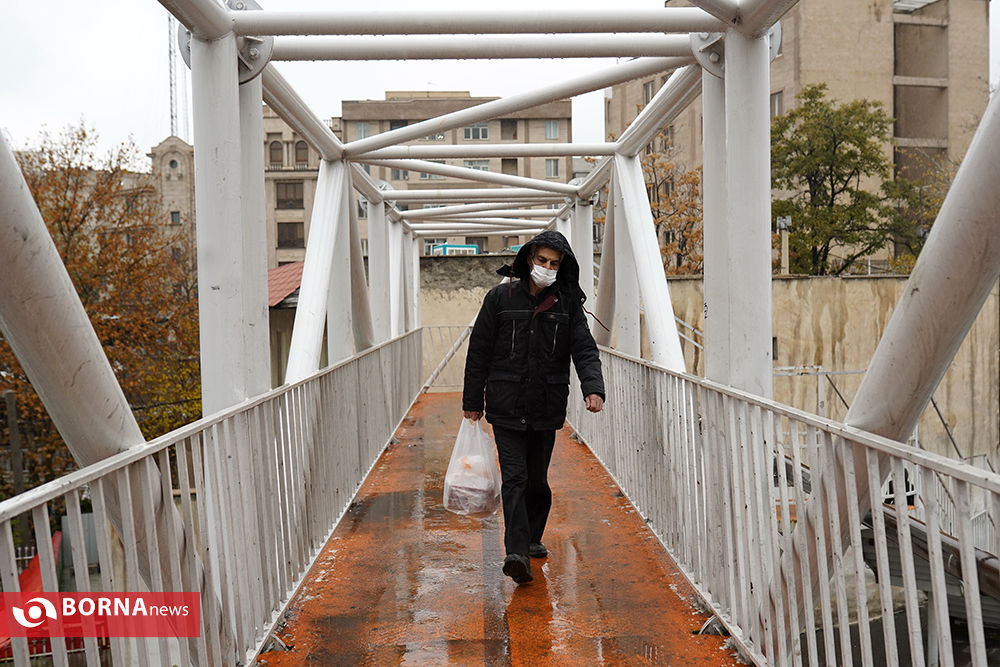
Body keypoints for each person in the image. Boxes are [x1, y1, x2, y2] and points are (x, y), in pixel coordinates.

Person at [462, 230, 605, 584]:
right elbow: (479, 351)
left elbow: (584, 349)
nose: (547, 268)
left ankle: (532, 537)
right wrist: (472, 401)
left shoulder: (567, 304)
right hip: (506, 405)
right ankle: (516, 553)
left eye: (554, 264)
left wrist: (593, 388)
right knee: (515, 478)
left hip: (545, 406)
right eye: (542, 261)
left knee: (537, 481)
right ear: (529, 259)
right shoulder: (500, 298)